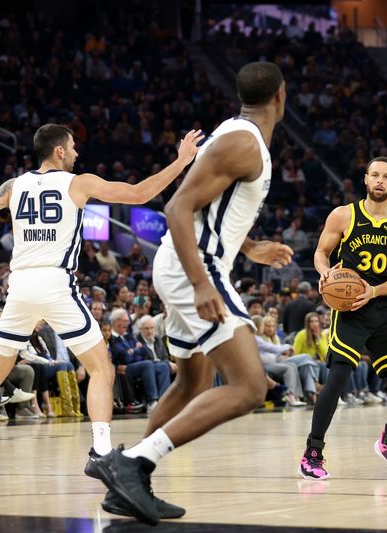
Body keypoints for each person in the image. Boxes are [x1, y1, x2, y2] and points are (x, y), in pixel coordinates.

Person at [0, 122, 203, 487]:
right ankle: (100, 453)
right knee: (101, 368)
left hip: (19, 285)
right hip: (54, 282)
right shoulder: (76, 183)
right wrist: (181, 162)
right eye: (73, 146)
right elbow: (141, 193)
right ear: (60, 150)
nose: (77, 152)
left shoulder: (15, 186)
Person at [90, 62, 292, 525]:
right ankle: (133, 463)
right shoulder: (243, 142)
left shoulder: (237, 134)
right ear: (281, 95)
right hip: (193, 270)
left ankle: (130, 486)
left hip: (188, 265)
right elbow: (178, 205)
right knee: (250, 387)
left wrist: (253, 246)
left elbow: (211, 210)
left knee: (193, 381)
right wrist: (202, 283)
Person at [299, 155, 387, 481]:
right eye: (374, 175)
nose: (380, 181)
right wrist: (325, 274)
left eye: (386, 176)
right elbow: (321, 253)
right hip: (349, 308)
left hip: (383, 306)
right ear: (366, 180)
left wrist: (375, 290)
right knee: (337, 379)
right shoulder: (343, 215)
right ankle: (313, 452)